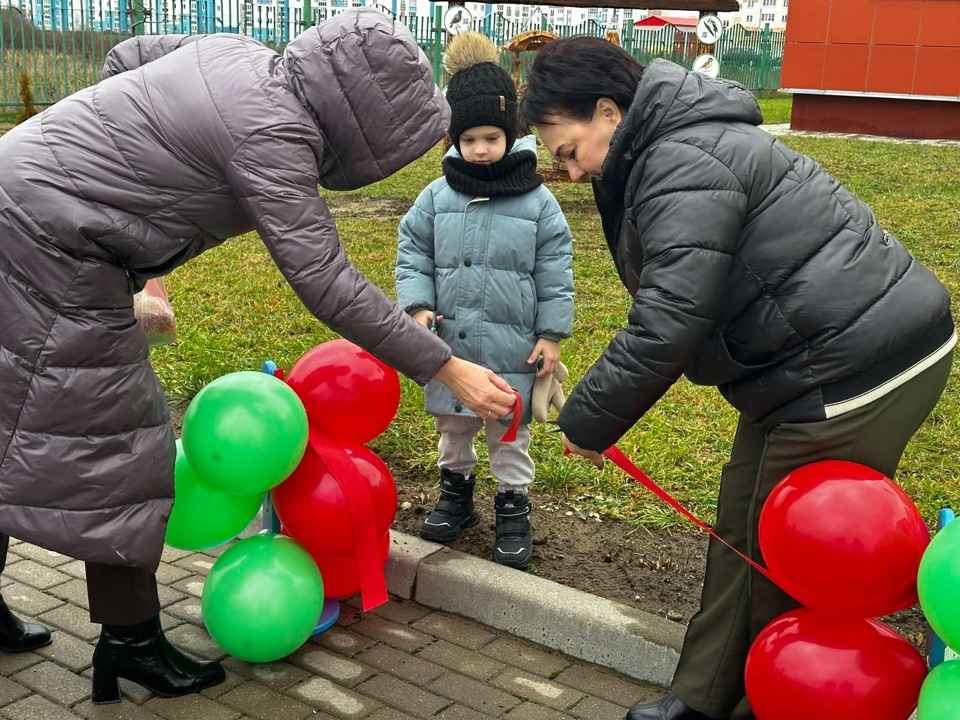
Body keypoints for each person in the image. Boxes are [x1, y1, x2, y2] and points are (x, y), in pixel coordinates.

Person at [0, 9, 515, 704]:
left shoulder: (234, 52)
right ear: (364, 118)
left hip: (24, 206)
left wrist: (119, 193)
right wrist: (445, 365)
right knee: (119, 449)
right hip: (53, 249)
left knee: (11, 427)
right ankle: (130, 641)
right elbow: (325, 279)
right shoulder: (274, 133)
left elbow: (125, 59)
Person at [520, 37, 955, 720]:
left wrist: (588, 421)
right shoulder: (670, 146)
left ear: (608, 111)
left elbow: (671, 316)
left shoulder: (681, 157)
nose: (570, 174)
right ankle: (704, 698)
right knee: (745, 530)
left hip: (860, 365)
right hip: (801, 368)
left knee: (789, 550)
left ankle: (780, 699)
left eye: (569, 151)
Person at [396, 32, 574, 570]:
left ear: (511, 134)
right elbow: (412, 252)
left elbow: (555, 270)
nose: (479, 148)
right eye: (468, 138)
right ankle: (456, 493)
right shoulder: (435, 197)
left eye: (491, 136)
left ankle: (513, 506)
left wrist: (551, 334)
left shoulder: (538, 203)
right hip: (452, 344)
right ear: (454, 139)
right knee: (453, 425)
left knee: (508, 429)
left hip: (513, 345)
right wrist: (418, 305)